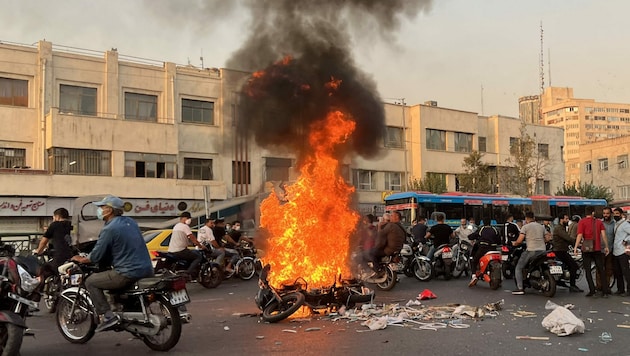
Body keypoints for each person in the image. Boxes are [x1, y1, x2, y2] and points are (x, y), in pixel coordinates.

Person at [70, 195, 154, 332]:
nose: (99, 210)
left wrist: (81, 259)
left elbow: (96, 256)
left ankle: (108, 316)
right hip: (147, 269)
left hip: (127, 272)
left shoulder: (110, 228)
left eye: (102, 207)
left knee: (91, 281)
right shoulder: (131, 222)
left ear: (109, 210)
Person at [575, 206, 611, 297]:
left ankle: (592, 290)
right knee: (601, 270)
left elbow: (579, 235)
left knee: (588, 271)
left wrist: (576, 247)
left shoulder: (582, 222)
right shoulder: (599, 222)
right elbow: (603, 235)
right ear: (593, 213)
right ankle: (605, 291)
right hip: (597, 249)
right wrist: (606, 246)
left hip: (586, 249)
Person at [511, 211, 547, 295]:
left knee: (518, 268)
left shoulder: (525, 227)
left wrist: (514, 243)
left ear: (526, 219)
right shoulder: (541, 227)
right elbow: (547, 238)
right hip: (543, 250)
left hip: (531, 251)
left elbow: (519, 240)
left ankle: (520, 288)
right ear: (534, 218)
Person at [35, 207, 73, 283]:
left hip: (59, 257)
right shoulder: (72, 225)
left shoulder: (54, 225)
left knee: (43, 270)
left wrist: (38, 251)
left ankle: (41, 292)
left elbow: (44, 241)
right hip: (72, 256)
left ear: (57, 217)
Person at [168, 211, 207, 279]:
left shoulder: (176, 226)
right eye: (188, 218)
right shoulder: (185, 226)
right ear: (184, 218)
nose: (190, 220)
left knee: (192, 253)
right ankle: (188, 273)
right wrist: (200, 246)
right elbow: (192, 238)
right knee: (198, 257)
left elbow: (183, 238)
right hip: (180, 250)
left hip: (171, 250)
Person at [368, 211, 406, 277]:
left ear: (396, 217)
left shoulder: (391, 225)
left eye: (391, 215)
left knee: (371, 253)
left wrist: (379, 226)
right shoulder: (401, 227)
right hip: (398, 249)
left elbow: (380, 236)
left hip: (389, 250)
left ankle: (378, 270)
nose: (390, 217)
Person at [552, 214, 582, 292]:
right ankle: (572, 285)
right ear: (561, 219)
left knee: (569, 265)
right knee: (574, 266)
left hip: (562, 249)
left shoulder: (562, 227)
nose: (567, 220)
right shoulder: (559, 228)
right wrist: (578, 242)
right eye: (566, 219)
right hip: (560, 251)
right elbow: (567, 238)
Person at [468, 218, 501, 287]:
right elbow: (499, 241)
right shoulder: (495, 229)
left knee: (474, 260)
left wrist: (470, 237)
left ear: (483, 223)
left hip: (483, 249)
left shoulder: (481, 229)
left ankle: (474, 276)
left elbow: (472, 236)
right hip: (493, 249)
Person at [612, 208, 630, 296]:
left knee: (626, 272)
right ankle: (620, 289)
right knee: (617, 272)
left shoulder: (625, 224)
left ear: (621, 214)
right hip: (615, 251)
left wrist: (626, 240)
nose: (615, 215)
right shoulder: (615, 224)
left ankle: (629, 290)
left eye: (617, 213)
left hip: (622, 251)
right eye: (614, 213)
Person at [598, 207, 615, 291]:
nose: (605, 215)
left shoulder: (614, 223)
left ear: (610, 214)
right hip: (600, 249)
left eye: (607, 213)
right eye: (604, 213)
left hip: (611, 249)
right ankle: (599, 286)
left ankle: (607, 287)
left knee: (609, 269)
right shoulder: (599, 223)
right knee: (599, 269)